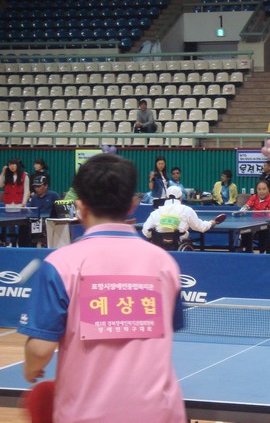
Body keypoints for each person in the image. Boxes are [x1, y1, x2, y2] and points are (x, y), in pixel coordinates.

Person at [17, 153, 186, 422]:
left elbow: (40, 349)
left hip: (85, 415)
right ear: (132, 204)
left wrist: (31, 367)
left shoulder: (60, 265)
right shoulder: (165, 264)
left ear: (80, 206)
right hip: (159, 414)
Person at [142, 185, 218, 242]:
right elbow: (200, 227)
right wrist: (211, 223)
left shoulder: (156, 212)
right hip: (179, 244)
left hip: (160, 247)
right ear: (180, 197)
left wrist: (157, 237)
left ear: (166, 197)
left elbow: (146, 231)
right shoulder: (186, 210)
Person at [239, 179, 270, 253]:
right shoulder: (254, 197)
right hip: (254, 225)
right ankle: (247, 252)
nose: (261, 191)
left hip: (266, 226)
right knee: (245, 230)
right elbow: (247, 206)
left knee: (264, 232)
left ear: (268, 189)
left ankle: (263, 253)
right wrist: (241, 211)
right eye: (259, 189)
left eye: (264, 189)